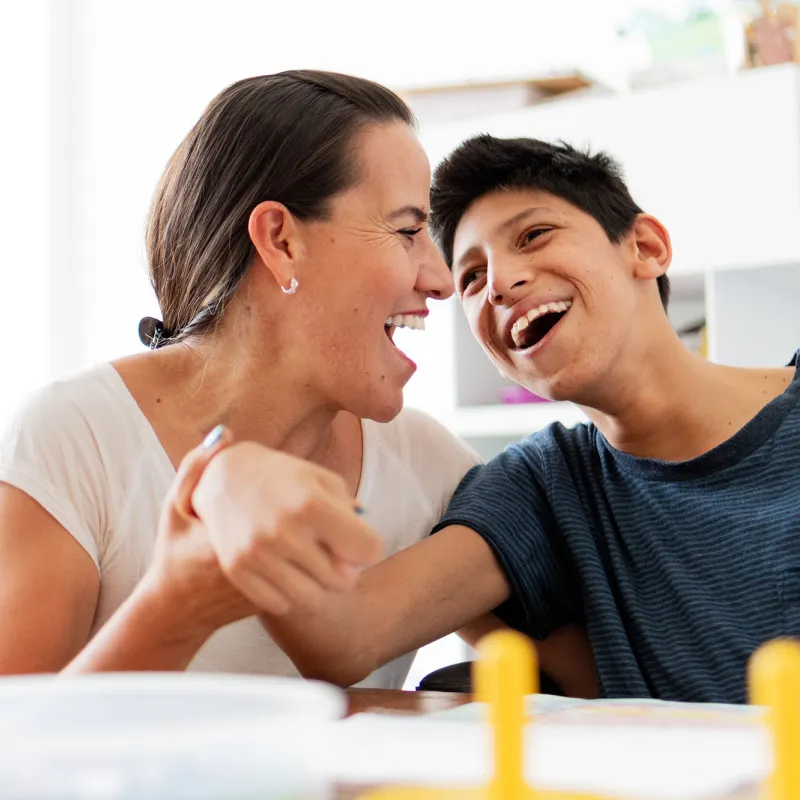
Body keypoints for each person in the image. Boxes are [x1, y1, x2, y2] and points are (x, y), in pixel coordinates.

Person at [196, 134, 799, 705]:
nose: (501, 285)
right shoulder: (543, 486)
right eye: (472, 279)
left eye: (534, 235)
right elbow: (344, 636)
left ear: (645, 247)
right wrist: (222, 484)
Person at [0, 70, 483, 687]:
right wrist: (176, 604)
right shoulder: (72, 439)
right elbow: (16, 756)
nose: (441, 280)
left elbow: (573, 669)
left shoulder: (429, 467)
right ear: (280, 240)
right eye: (409, 231)